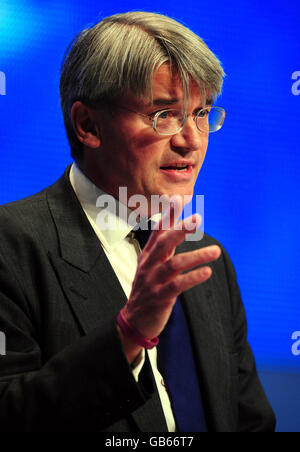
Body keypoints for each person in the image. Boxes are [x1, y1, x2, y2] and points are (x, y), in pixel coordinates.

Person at [0, 11, 275, 432]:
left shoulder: (208, 261)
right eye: (164, 114)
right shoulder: (12, 245)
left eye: (201, 113)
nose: (191, 140)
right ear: (88, 125)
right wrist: (128, 336)